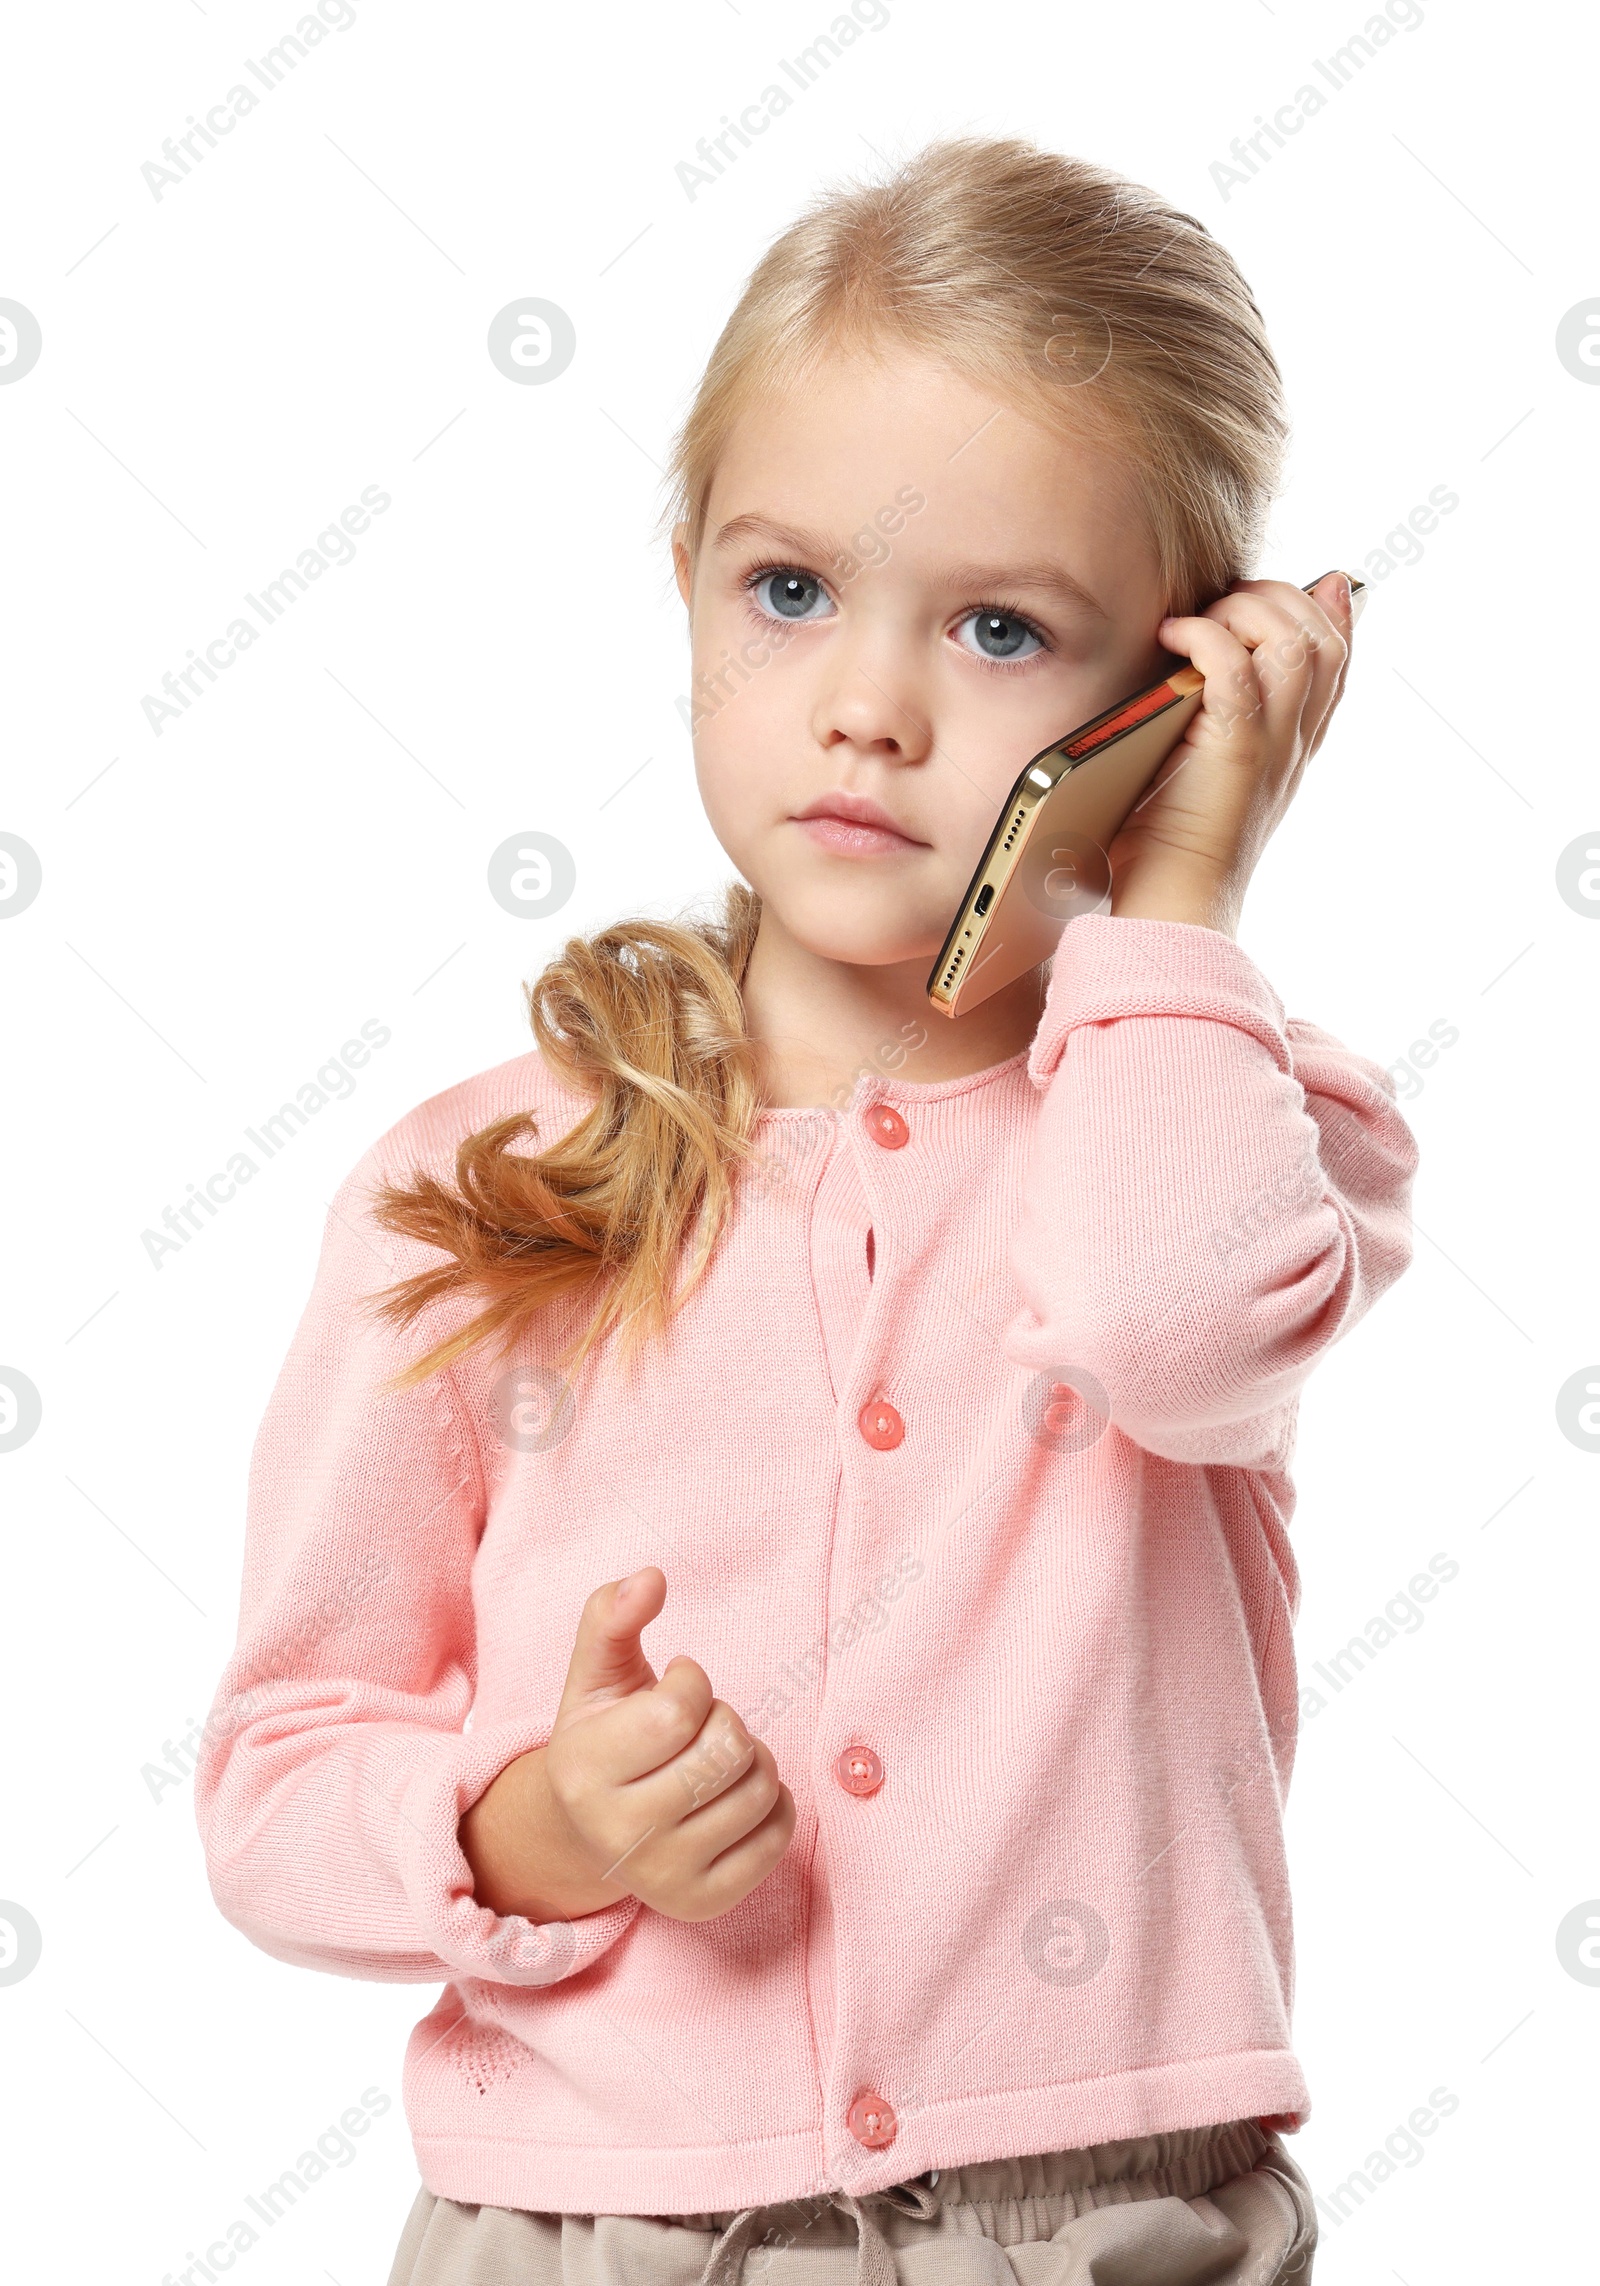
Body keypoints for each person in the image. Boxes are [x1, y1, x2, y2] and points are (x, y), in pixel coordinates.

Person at [194, 135, 1418, 2286]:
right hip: (586, 2225)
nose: (866, 700)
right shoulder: (476, 1191)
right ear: (683, 583)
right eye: (787, 592)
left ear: (1167, 696)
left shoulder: (1236, 1110)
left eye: (996, 627)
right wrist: (526, 1830)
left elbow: (1165, 1328)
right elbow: (280, 1779)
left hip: (1104, 2219)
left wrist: (1181, 896)